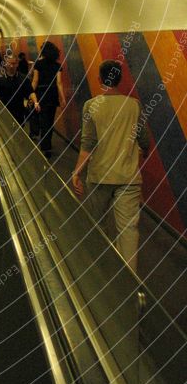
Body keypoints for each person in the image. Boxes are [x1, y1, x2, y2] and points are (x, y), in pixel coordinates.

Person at [71, 60, 149, 273]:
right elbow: (143, 139)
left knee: (97, 224)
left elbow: (88, 144)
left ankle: (101, 272)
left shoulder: (91, 106)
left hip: (99, 176)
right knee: (128, 229)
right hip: (128, 177)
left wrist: (77, 173)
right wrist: (144, 149)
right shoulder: (133, 105)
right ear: (120, 79)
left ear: (99, 79)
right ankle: (129, 279)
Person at [32, 40, 66, 158]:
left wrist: (30, 94)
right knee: (50, 121)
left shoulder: (39, 64)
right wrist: (62, 99)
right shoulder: (58, 66)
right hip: (52, 94)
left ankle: (45, 146)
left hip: (41, 93)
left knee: (43, 120)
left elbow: (35, 81)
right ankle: (47, 145)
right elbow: (59, 83)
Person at [0, 54, 40, 125]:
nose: (11, 66)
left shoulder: (23, 79)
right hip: (5, 111)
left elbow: (30, 92)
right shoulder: (0, 80)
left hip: (19, 112)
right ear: (5, 64)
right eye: (9, 63)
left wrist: (35, 102)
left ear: (17, 64)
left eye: (13, 64)